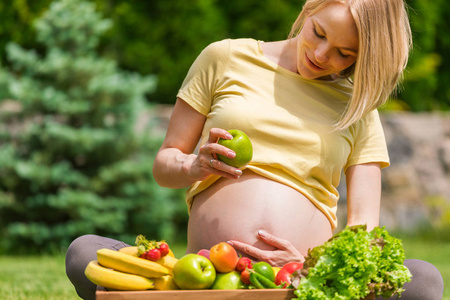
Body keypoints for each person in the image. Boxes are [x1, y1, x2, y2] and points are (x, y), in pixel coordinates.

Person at [65, 0, 444, 299]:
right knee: (84, 252)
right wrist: (193, 166)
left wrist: (313, 266)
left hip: (302, 286)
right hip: (209, 279)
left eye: (345, 54)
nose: (323, 55)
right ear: (310, 7)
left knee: (423, 281)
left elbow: (365, 224)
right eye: (319, 33)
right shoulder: (225, 57)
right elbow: (165, 164)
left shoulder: (358, 106)